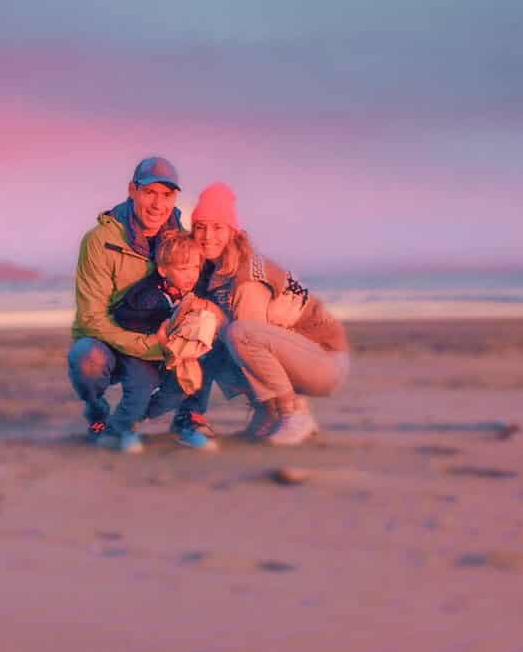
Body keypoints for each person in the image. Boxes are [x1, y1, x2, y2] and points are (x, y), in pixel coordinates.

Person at [189, 181, 350, 445]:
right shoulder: (218, 272)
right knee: (213, 340)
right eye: (200, 227)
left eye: (218, 227)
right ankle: (269, 413)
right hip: (301, 356)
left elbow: (250, 340)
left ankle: (293, 414)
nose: (208, 236)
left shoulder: (247, 276)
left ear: (233, 232)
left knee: (238, 335)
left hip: (325, 361)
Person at [67, 156, 202, 453]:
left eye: (166, 195)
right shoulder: (99, 241)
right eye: (149, 192)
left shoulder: (180, 240)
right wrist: (152, 345)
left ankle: (187, 418)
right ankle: (98, 413)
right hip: (114, 338)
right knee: (86, 358)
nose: (157, 204)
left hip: (164, 337)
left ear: (175, 197)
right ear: (132, 190)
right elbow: (91, 319)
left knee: (207, 338)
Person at [109, 229, 225, 449]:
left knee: (182, 387)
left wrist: (203, 313)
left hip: (172, 355)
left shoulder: (194, 290)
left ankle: (180, 420)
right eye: (183, 269)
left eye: (194, 268)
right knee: (140, 390)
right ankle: (124, 426)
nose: (191, 275)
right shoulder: (148, 296)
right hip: (141, 353)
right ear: (163, 270)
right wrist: (157, 329)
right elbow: (124, 319)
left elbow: (216, 317)